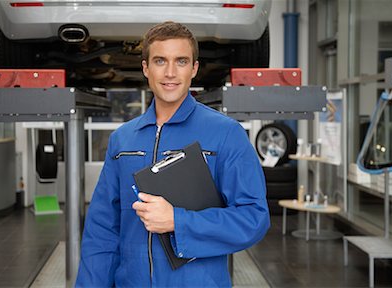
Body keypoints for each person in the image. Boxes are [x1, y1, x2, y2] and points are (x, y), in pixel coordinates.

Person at [76, 21, 270, 287]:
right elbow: (102, 231)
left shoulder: (226, 134)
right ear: (146, 68)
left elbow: (254, 218)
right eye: (159, 61)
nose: (170, 72)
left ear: (194, 68)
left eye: (180, 61)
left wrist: (178, 221)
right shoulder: (122, 140)